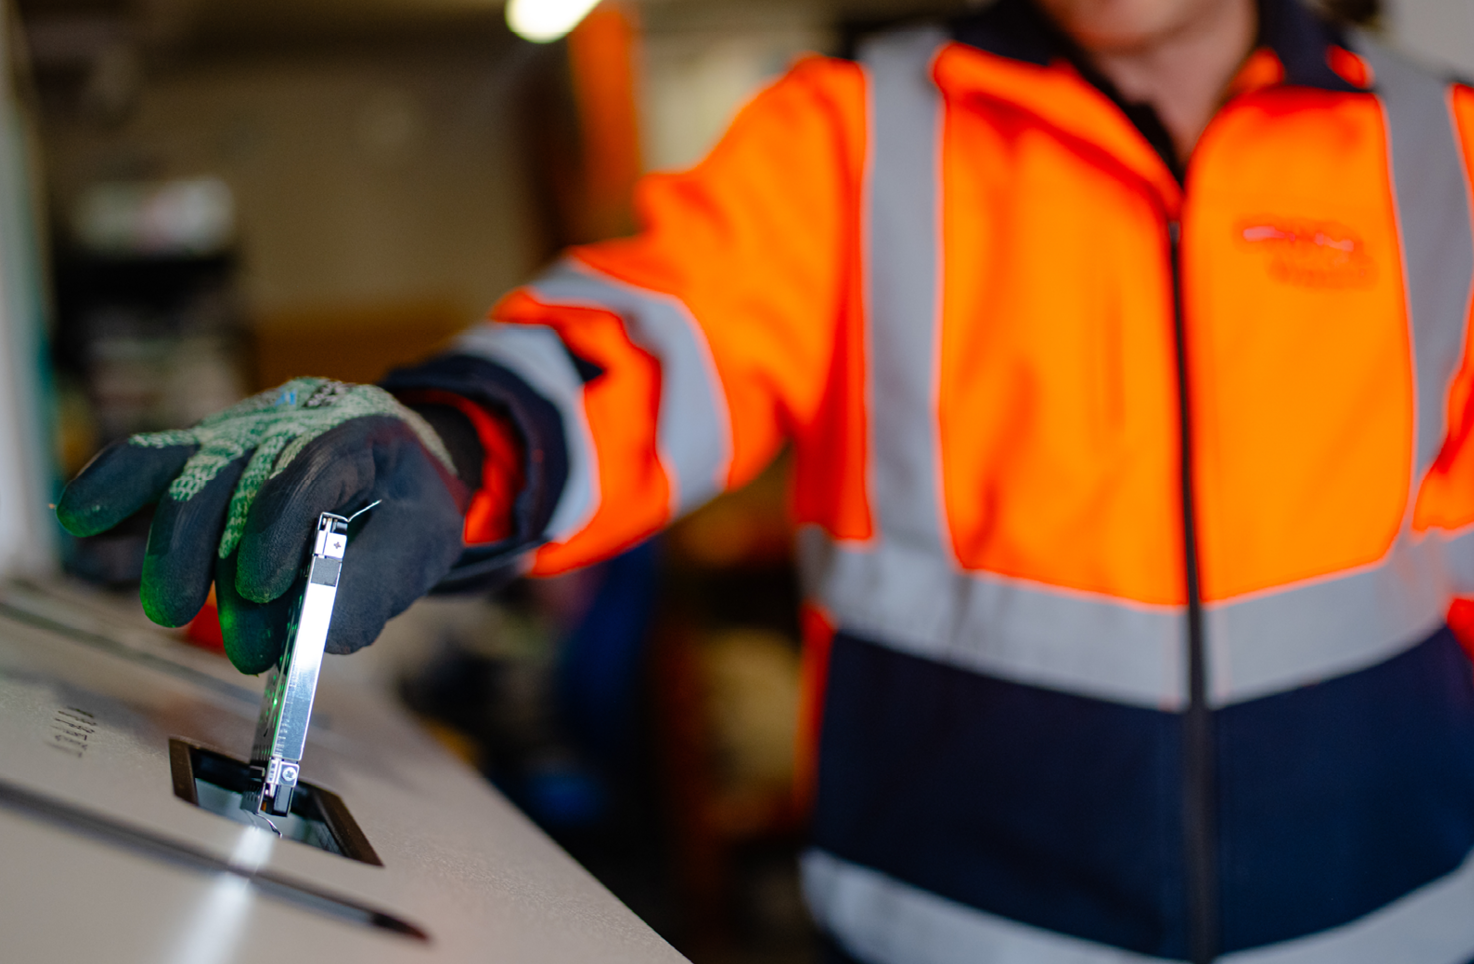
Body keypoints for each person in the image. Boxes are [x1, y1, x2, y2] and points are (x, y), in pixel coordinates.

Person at [56, 0, 1474, 959]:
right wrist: (448, 440)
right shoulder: (861, 138)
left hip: (1389, 924)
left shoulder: (1440, 149)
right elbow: (657, 342)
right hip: (964, 932)